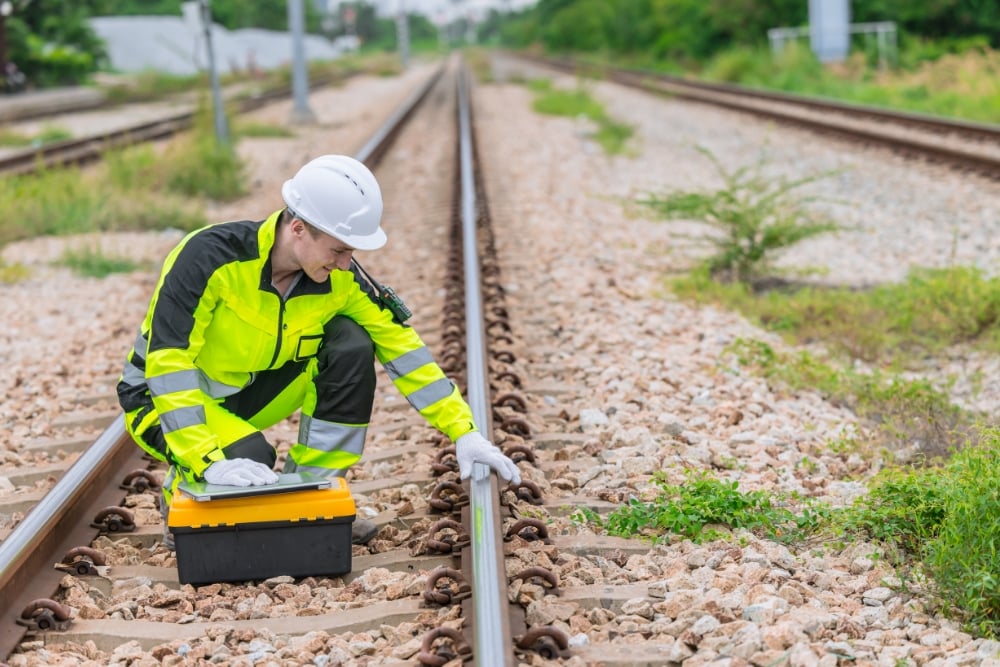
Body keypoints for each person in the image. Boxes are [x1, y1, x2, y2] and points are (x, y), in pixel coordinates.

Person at [117, 154, 521, 546]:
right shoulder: (208, 258)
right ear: (297, 229)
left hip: (249, 391)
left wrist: (463, 431)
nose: (346, 265)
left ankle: (311, 498)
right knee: (251, 459)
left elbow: (403, 349)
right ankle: (181, 501)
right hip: (161, 399)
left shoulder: (340, 281)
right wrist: (208, 460)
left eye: (351, 253)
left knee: (351, 342)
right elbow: (168, 362)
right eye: (338, 250)